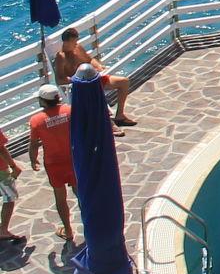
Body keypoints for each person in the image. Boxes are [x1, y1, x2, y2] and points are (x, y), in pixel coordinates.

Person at [52, 28, 136, 127]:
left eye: (76, 41)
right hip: (81, 87)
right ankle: (108, 124)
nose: (76, 44)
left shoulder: (77, 48)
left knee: (124, 82)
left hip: (94, 79)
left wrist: (99, 67)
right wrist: (77, 80)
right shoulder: (61, 57)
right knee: (96, 92)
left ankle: (120, 115)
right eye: (73, 42)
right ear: (66, 42)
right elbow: (59, 80)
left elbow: (89, 60)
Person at [28, 84, 75, 248]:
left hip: (54, 164)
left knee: (60, 198)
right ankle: (91, 224)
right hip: (73, 159)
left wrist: (33, 160)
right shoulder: (70, 111)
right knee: (80, 193)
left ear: (43, 101)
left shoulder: (36, 121)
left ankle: (68, 231)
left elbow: (34, 144)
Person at [0, 117, 22, 248]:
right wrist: (13, 166)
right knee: (9, 198)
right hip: (1, 171)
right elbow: (1, 149)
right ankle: (3, 230)